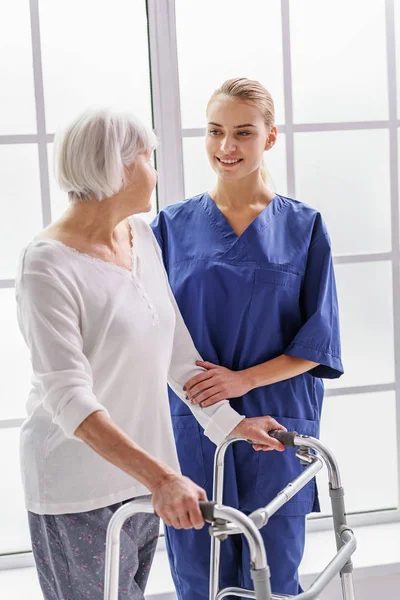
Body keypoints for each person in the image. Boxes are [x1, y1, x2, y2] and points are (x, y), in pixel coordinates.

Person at [15, 108, 286, 600]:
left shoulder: (138, 236)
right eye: (147, 157)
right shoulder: (46, 266)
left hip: (144, 481)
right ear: (116, 168)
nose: (155, 171)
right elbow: (68, 400)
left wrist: (230, 424)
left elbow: (176, 351)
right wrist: (162, 478)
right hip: (79, 489)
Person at [151, 77, 344, 598]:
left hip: (277, 417)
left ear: (270, 137)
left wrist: (242, 380)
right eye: (215, 132)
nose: (226, 147)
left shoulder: (304, 227)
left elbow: (319, 340)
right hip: (195, 418)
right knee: (198, 572)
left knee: (274, 572)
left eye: (243, 132)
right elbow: (150, 331)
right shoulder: (168, 227)